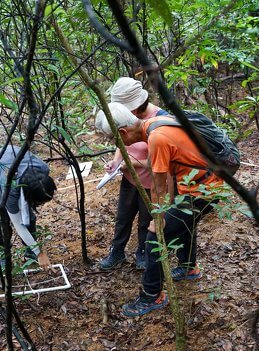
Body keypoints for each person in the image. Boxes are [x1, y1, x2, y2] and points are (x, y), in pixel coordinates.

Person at [95, 102, 222, 317]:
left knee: (154, 238)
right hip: (199, 184)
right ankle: (189, 267)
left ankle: (152, 295)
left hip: (202, 191)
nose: (116, 144)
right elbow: (171, 171)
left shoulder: (157, 138)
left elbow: (158, 183)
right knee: (183, 223)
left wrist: (158, 217)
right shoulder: (154, 124)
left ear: (123, 132)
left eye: (113, 139)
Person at [97, 77, 169, 270]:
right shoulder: (125, 122)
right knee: (123, 217)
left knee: (146, 221)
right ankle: (117, 252)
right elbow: (122, 141)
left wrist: (132, 165)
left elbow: (160, 163)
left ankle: (143, 254)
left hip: (151, 182)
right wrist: (116, 161)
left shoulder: (159, 121)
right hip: (129, 180)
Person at [0, 145, 57, 271]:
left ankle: (29, 252)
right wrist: (40, 253)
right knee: (0, 220)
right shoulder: (10, 188)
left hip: (11, 162)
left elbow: (25, 213)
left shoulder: (42, 169)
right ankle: (3, 256)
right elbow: (18, 225)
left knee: (28, 216)